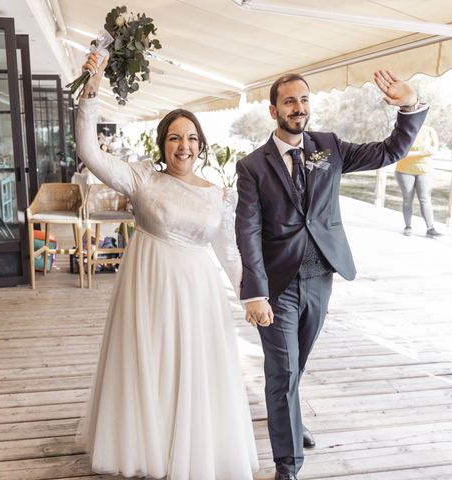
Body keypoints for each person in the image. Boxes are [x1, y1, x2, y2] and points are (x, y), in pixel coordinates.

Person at [235, 70, 427, 480]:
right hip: (277, 284)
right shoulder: (252, 166)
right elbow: (247, 230)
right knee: (283, 369)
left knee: (296, 362)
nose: (298, 107)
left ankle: (292, 419)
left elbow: (390, 151)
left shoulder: (329, 147)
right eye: (289, 101)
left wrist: (409, 107)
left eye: (303, 100)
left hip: (321, 275)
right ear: (273, 110)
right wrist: (255, 292)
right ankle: (288, 466)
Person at [76, 53, 258, 480]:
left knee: (192, 368)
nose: (184, 146)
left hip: (197, 292)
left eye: (192, 138)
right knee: (148, 363)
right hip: (148, 285)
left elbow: (229, 252)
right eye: (175, 138)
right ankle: (147, 447)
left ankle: (190, 450)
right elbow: (87, 149)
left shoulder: (217, 195)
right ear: (162, 144)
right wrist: (92, 86)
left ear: (201, 144)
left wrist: (252, 296)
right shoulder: (141, 179)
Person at [394, 124, 442, 237]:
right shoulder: (403, 129)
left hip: (425, 170)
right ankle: (408, 226)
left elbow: (435, 150)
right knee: (407, 198)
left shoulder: (430, 130)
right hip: (404, 170)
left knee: (425, 198)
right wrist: (421, 153)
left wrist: (420, 152)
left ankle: (430, 228)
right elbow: (400, 152)